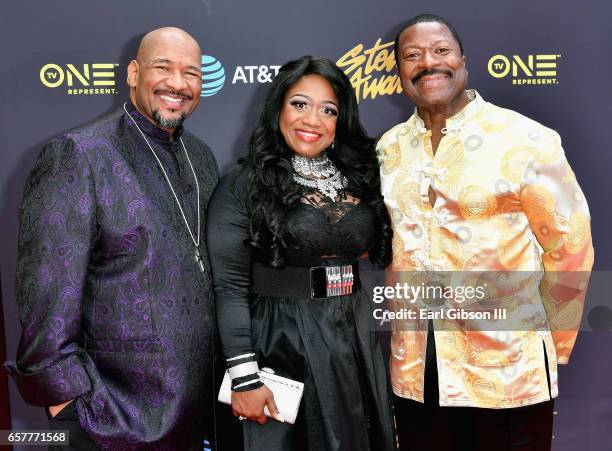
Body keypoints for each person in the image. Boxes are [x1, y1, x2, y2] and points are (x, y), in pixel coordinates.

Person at [377, 14, 594, 451]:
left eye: (441, 51)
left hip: (507, 369)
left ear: (463, 61)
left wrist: (550, 344)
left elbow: (570, 245)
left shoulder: (526, 139)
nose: (428, 63)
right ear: (399, 72)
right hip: (418, 369)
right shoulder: (389, 147)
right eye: (412, 55)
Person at [4, 27, 219, 450]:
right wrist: (68, 407)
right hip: (113, 421)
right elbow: (46, 294)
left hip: (200, 415)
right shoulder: (79, 155)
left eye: (191, 73)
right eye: (163, 67)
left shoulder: (202, 157)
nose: (178, 83)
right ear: (134, 73)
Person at [207, 55, 396, 450]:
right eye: (300, 104)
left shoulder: (360, 175)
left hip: (353, 338)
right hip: (280, 342)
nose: (313, 120)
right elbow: (230, 287)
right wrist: (245, 377)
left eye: (328, 110)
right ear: (278, 106)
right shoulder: (243, 184)